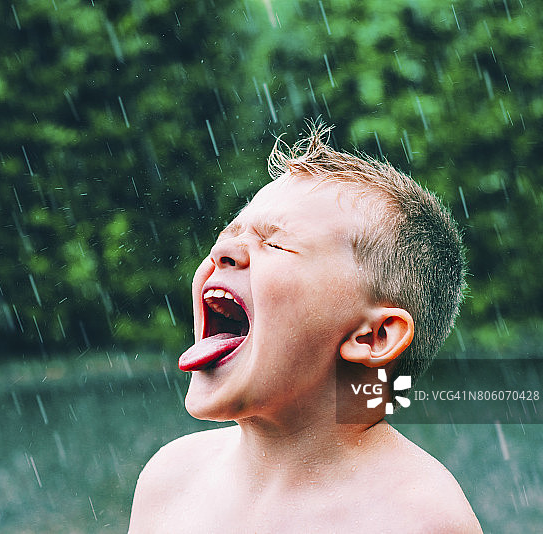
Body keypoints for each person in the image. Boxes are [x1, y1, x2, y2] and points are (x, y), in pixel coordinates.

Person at [129, 123, 482, 533]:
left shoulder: (415, 519)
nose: (220, 252)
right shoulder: (171, 479)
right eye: (227, 235)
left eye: (275, 243)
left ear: (373, 336)